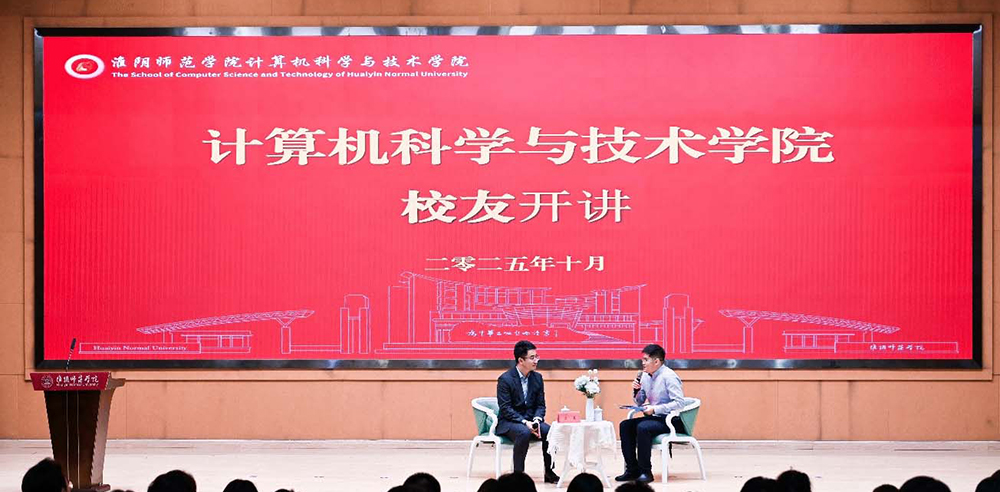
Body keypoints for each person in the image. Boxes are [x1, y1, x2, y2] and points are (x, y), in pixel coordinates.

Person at [616, 344, 687, 484]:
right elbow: (639, 402)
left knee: (643, 427)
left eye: (645, 360)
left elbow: (680, 403)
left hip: (670, 420)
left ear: (656, 361)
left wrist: (655, 409)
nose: (642, 363)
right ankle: (632, 470)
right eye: (642, 360)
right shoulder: (645, 376)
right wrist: (636, 391)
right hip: (654, 418)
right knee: (625, 425)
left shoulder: (669, 376)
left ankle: (646, 472)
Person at [496, 340, 559, 484]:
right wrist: (525, 422)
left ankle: (549, 472)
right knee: (523, 432)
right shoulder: (505, 379)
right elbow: (506, 409)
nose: (536, 360)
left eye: (537, 356)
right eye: (532, 357)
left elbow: (540, 405)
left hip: (531, 420)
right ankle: (518, 476)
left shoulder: (537, 378)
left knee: (550, 431)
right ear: (521, 360)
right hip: (510, 422)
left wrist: (537, 419)